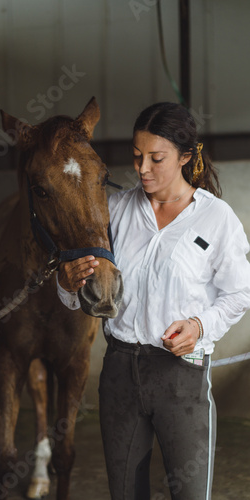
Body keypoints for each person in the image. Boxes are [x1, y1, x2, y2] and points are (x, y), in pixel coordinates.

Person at [56, 102, 250, 500]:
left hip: (182, 377)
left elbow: (239, 293)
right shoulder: (114, 210)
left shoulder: (216, 219)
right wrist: (66, 283)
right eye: (137, 156)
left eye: (156, 158)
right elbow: (81, 297)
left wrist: (199, 327)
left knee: (191, 494)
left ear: (185, 156)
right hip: (119, 373)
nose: (142, 168)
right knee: (126, 493)